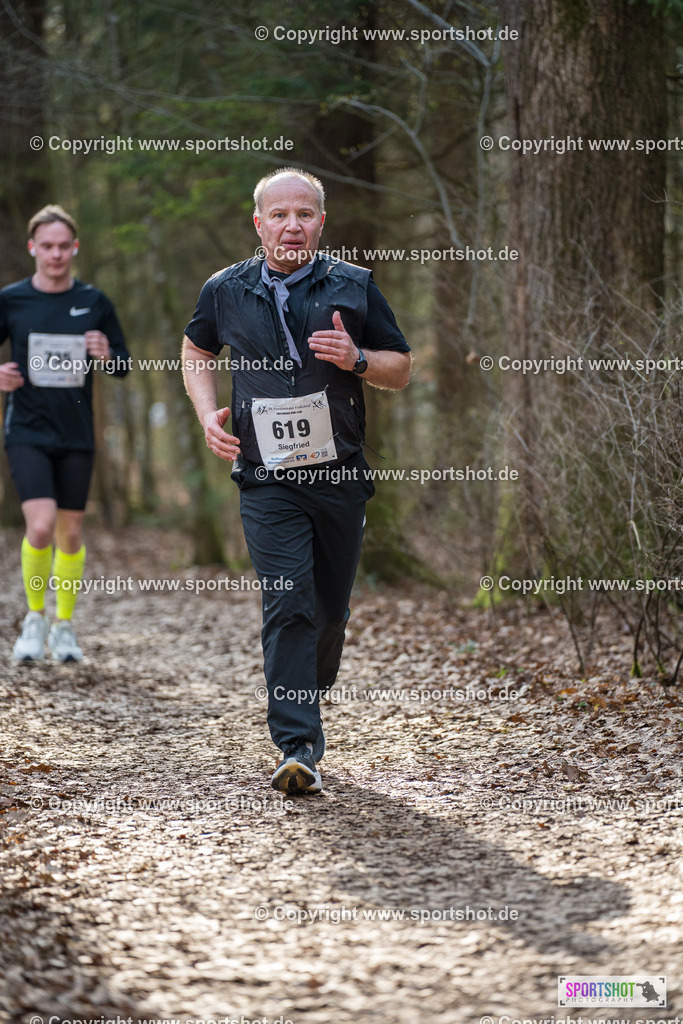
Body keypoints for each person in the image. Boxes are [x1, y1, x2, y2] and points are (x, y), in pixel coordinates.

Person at [182, 168, 410, 794]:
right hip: (265, 476)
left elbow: (401, 368)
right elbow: (195, 351)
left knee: (328, 611)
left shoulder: (355, 286)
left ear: (320, 222)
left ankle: (307, 688)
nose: (291, 226)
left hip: (338, 473)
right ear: (258, 223)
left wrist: (357, 359)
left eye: (303, 214)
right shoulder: (225, 290)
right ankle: (297, 743)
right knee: (288, 600)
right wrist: (208, 416)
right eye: (278, 215)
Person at [0, 204, 130, 663]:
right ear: (33, 248)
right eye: (47, 246)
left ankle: (64, 626)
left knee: (70, 533)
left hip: (76, 434)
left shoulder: (94, 301)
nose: (55, 255)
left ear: (74, 248)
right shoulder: (11, 300)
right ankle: (34, 618)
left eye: (63, 246)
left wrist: (104, 352)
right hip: (27, 430)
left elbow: (123, 364)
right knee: (40, 525)